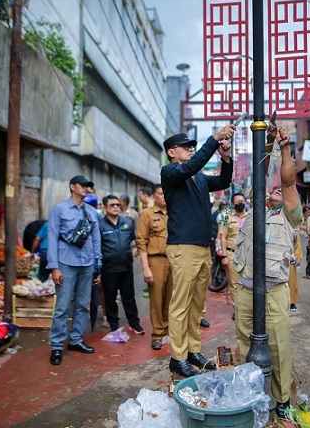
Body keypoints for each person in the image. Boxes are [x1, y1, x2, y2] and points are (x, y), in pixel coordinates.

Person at [233, 126, 302, 420]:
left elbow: (288, 183)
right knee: (245, 345)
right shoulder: (252, 212)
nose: (272, 190)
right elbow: (260, 177)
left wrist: (284, 148)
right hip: (246, 290)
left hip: (273, 292)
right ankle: (252, 396)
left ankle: (282, 400)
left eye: (276, 191)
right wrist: (268, 142)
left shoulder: (289, 214)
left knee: (278, 348)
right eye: (268, 190)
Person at [161, 125, 234, 378]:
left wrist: (225, 159)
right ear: (172, 152)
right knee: (180, 304)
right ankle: (177, 357)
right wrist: (213, 140)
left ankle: (192, 351)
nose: (191, 150)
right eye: (186, 147)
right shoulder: (170, 172)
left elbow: (224, 181)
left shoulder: (199, 179)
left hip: (203, 248)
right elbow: (191, 167)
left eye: (193, 147)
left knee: (196, 304)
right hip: (183, 247)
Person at [47, 175, 102, 366]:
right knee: (62, 306)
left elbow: (96, 239)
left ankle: (76, 340)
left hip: (87, 263)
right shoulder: (59, 209)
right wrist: (54, 267)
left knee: (82, 305)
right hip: (65, 263)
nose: (86, 188)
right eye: (83, 185)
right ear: (72, 187)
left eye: (88, 186)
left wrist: (98, 265)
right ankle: (56, 345)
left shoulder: (91, 211)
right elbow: (52, 238)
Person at [98, 194, 143, 334]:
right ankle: (114, 325)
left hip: (126, 267)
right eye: (112, 205)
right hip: (108, 269)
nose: (116, 207)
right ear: (105, 208)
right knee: (110, 299)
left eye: (117, 204)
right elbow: (97, 247)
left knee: (129, 297)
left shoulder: (127, 222)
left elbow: (132, 240)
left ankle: (134, 323)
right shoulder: (100, 225)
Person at [136, 184, 172, 350]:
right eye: (161, 193)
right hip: (156, 260)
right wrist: (145, 267)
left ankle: (168, 331)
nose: (164, 196)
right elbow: (141, 243)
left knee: (171, 298)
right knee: (157, 299)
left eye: (166, 193)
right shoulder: (147, 215)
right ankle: (158, 334)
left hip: (174, 260)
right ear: (154, 196)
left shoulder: (174, 212)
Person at [218, 193, 248, 320]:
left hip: (248, 255)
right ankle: (238, 310)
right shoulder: (226, 216)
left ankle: (247, 309)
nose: (240, 203)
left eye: (242, 200)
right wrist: (224, 256)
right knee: (234, 284)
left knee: (247, 284)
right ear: (232, 204)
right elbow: (222, 237)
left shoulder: (251, 216)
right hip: (232, 254)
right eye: (237, 201)